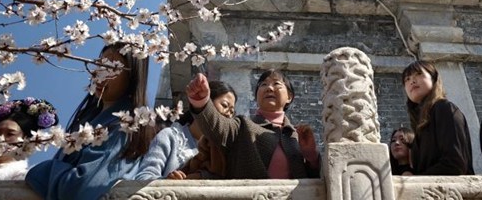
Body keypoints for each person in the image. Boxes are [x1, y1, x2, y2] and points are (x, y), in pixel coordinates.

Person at [26, 43, 155, 200]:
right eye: (99, 64)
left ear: (132, 75)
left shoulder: (124, 125)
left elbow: (79, 189)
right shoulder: (89, 120)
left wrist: (41, 170)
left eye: (111, 67)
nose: (99, 73)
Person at [186, 69, 320, 179]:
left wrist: (311, 157)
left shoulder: (296, 137)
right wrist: (201, 102)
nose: (269, 88)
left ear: (289, 97)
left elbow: (313, 181)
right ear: (256, 97)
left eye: (276, 83)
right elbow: (216, 126)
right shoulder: (242, 126)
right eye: (263, 85)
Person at [140, 80, 237, 180]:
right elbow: (143, 177)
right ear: (206, 103)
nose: (228, 114)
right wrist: (167, 182)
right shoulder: (170, 137)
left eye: (232, 112)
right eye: (225, 105)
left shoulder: (220, 149)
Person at [401, 60, 474, 175]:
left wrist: (416, 179)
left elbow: (455, 164)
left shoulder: (445, 109)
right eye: (407, 79)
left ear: (433, 79)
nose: (412, 81)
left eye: (419, 74)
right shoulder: (420, 126)